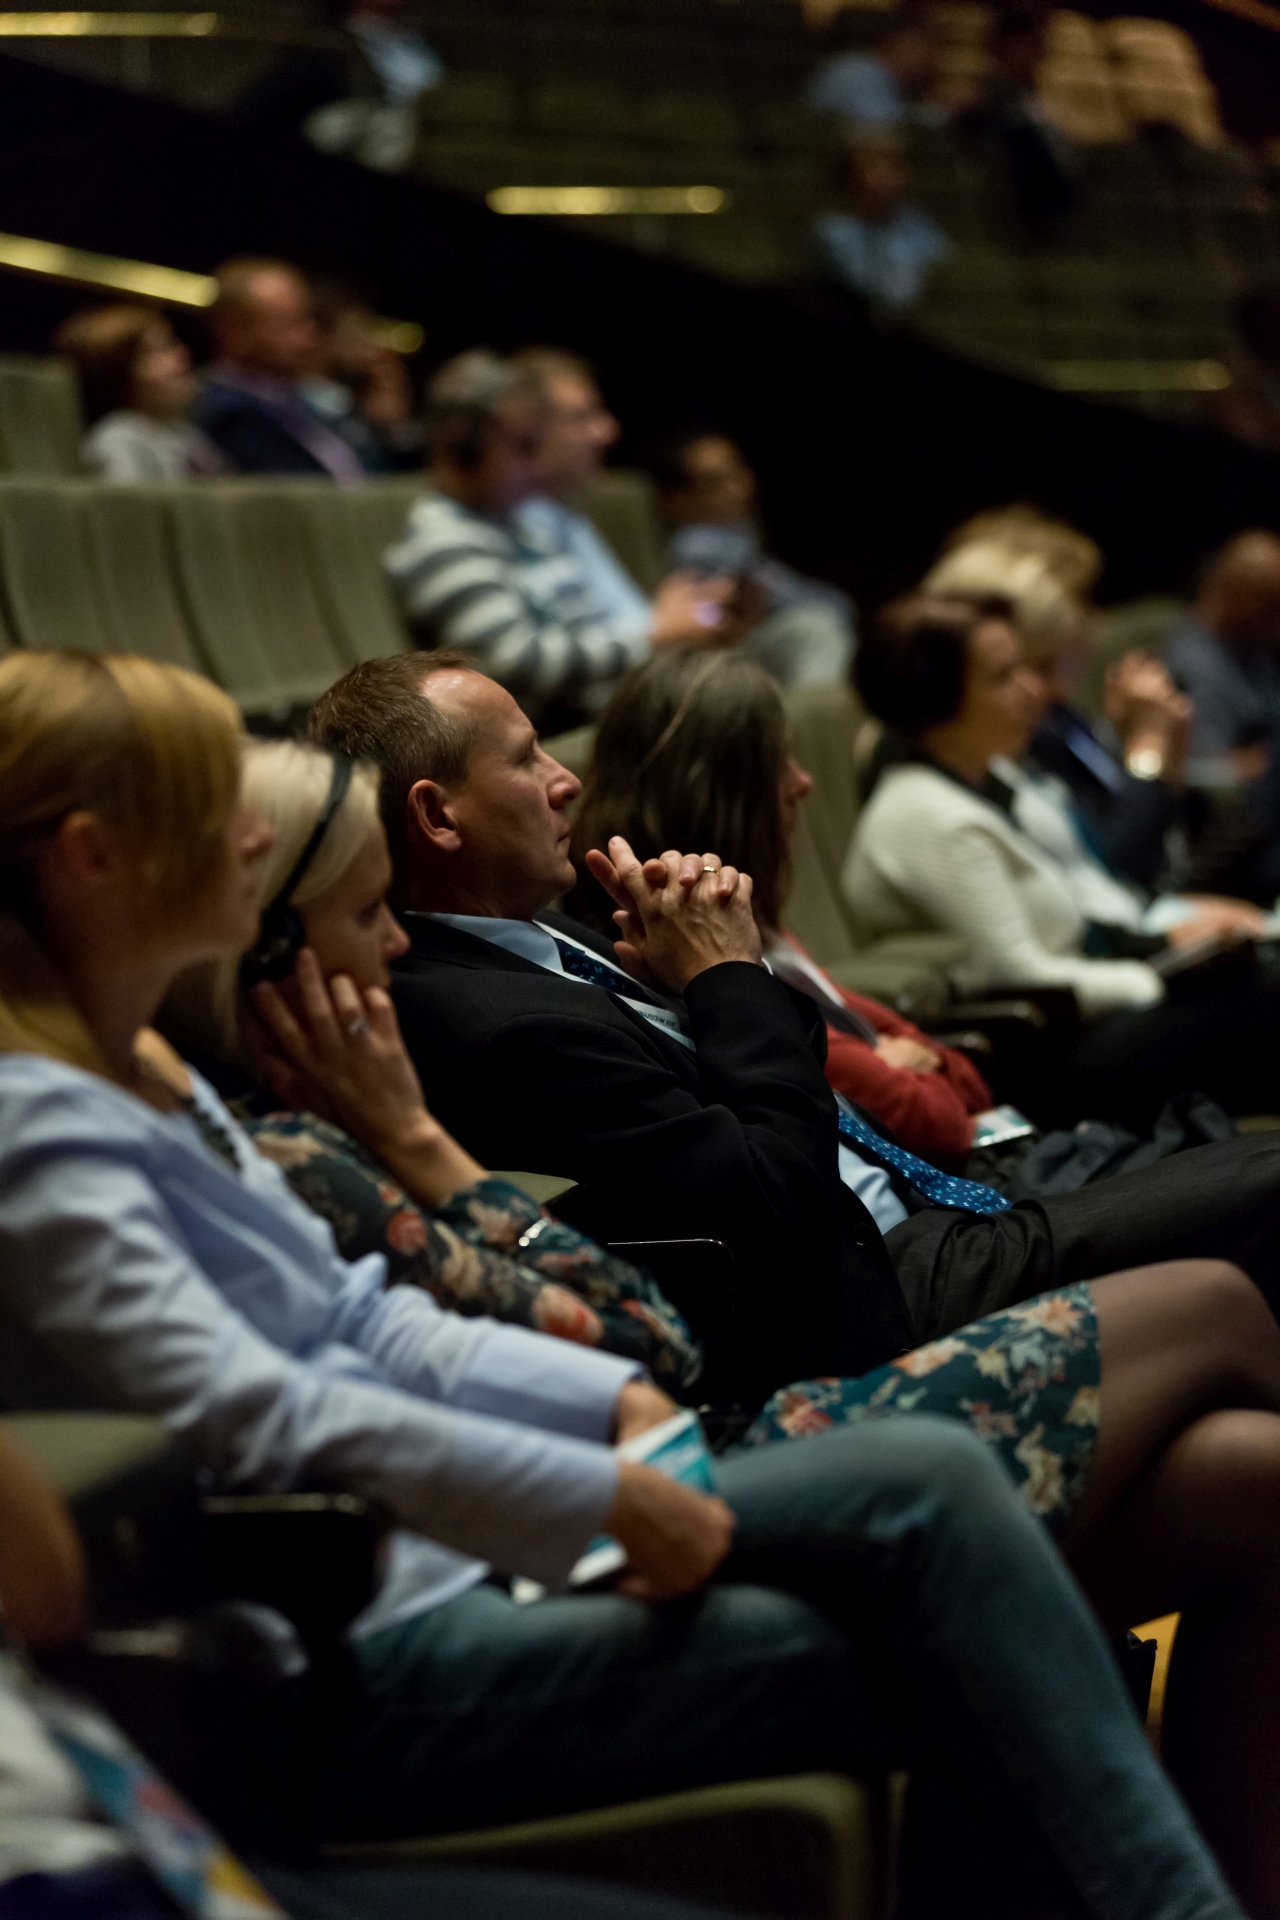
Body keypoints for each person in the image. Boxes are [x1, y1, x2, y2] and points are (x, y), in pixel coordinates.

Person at [3, 650, 1280, 1918]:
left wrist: (599, 1401)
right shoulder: (81, 1120)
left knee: (1239, 1477)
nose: (246, 830)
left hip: (554, 1477)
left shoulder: (169, 1088)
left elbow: (423, 1329)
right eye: (204, 801)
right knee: (987, 1490)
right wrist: (592, 1472)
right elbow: (261, 1408)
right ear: (94, 858)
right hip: (386, 1608)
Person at [308, 651, 1280, 1374]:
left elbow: (799, 1068)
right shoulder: (486, 1019)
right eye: (527, 761)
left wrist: (703, 982)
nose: (567, 780)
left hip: (925, 1210)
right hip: (877, 1283)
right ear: (437, 815)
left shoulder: (547, 934)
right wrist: (726, 980)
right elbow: (779, 1194)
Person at [0, 1434, 762, 1920]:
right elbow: (51, 1592)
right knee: (809, 1595)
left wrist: (616, 1395)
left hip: (127, 1842)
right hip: (355, 1622)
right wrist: (581, 1482)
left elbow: (46, 1596)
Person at [160, 737, 701, 1392]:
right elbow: (655, 1345)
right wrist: (409, 1135)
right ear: (263, 953)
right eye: (368, 913)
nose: (399, 941)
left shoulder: (288, 1106)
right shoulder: (284, 1151)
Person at [845, 593, 1280, 1127]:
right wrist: (1155, 978)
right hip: (1045, 1059)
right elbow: (1020, 973)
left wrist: (1180, 949)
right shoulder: (924, 816)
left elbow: (1091, 899)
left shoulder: (995, 780)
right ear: (936, 700)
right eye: (1003, 677)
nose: (1033, 690)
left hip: (1096, 1013)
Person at [565, 649, 988, 1166]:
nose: (803, 782)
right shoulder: (680, 951)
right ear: (724, 794)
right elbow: (937, 1125)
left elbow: (960, 1078)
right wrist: (904, 1066)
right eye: (779, 763)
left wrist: (920, 1064)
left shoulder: (741, 915)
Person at [385, 350, 743, 729]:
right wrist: (653, 637)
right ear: (464, 451)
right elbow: (516, 661)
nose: (538, 466)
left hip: (608, 706)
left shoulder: (516, 525)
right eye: (524, 447)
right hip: (561, 728)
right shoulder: (442, 541)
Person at [923, 533, 1263, 918]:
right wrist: (1147, 745)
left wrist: (1156, 752)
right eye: (1036, 666)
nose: (1049, 688)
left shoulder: (1059, 718)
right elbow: (1112, 864)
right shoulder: (1002, 747)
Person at [646, 429, 855, 688]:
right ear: (675, 499)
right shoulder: (698, 543)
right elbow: (711, 615)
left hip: (743, 644)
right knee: (813, 629)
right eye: (715, 482)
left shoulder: (737, 537)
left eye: (737, 473)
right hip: (717, 654)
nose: (738, 489)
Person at [193, 258, 365, 481]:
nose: (308, 337)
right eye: (289, 324)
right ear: (235, 330)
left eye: (307, 319)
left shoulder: (295, 399)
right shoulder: (229, 413)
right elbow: (300, 490)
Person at [51, 304, 226, 484]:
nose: (181, 354)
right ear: (120, 375)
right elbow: (128, 502)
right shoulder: (118, 439)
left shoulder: (180, 433)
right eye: (160, 350)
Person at [814, 133, 951, 313]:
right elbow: (859, 282)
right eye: (875, 169)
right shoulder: (834, 230)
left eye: (894, 168)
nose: (887, 178)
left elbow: (942, 264)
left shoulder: (915, 221)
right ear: (851, 179)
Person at [300, 278, 425, 474]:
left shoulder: (352, 404)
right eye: (355, 336)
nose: (370, 348)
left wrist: (391, 427)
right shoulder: (302, 406)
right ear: (319, 337)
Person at [805, 7, 943, 128]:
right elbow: (877, 122)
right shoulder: (857, 73)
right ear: (901, 45)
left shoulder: (880, 75)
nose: (930, 58)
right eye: (923, 48)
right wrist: (938, 111)